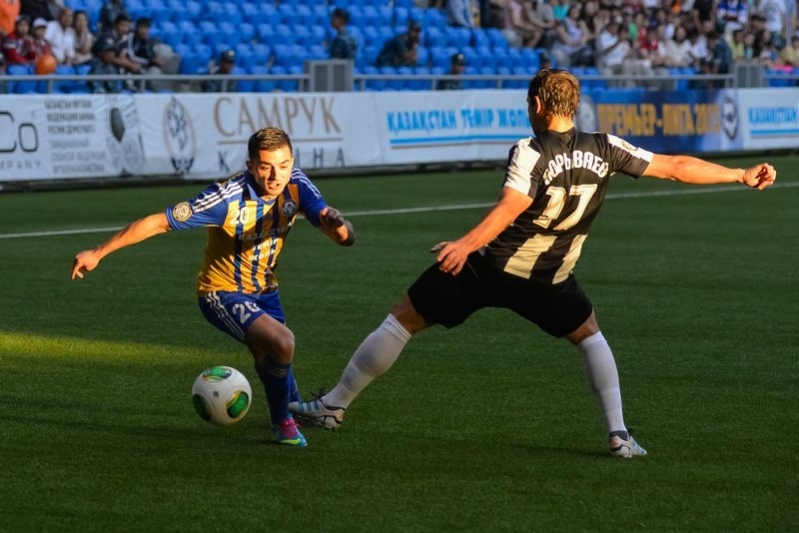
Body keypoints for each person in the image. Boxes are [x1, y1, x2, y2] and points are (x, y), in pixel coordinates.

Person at [288, 69, 777, 458]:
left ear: (539, 105)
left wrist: (465, 244)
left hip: (491, 267)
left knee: (404, 318)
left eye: (529, 104)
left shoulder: (529, 150)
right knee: (589, 334)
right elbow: (675, 167)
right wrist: (739, 174)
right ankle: (619, 435)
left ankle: (333, 406)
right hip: (551, 278)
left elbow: (512, 205)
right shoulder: (606, 147)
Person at [72, 127, 356, 448]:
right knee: (283, 343)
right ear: (251, 166)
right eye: (265, 167)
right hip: (221, 293)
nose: (276, 176)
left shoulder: (297, 184)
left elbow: (345, 238)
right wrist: (98, 252)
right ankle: (282, 423)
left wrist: (337, 227)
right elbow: (159, 222)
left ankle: (291, 410)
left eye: (284, 165)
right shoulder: (225, 198)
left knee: (271, 357)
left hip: (265, 291)